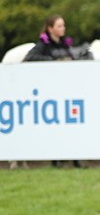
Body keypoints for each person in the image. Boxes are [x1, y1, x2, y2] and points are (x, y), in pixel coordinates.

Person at [25, 14, 84, 167]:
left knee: (72, 127)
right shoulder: (43, 45)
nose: (63, 28)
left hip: (67, 90)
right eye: (59, 26)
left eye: (63, 25)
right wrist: (53, 62)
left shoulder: (65, 44)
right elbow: (30, 58)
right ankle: (56, 160)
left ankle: (76, 160)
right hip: (51, 92)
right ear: (50, 29)